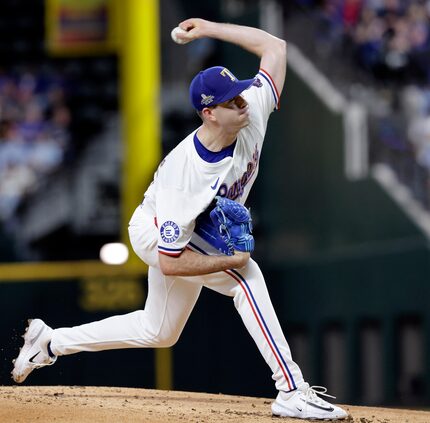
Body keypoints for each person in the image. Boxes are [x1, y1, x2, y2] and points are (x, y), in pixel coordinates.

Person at [12, 18, 348, 420]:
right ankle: (291, 389)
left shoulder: (251, 109)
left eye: (241, 95)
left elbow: (275, 46)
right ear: (208, 113)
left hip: (193, 227)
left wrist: (208, 28)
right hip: (156, 232)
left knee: (159, 331)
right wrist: (230, 262)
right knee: (246, 277)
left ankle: (49, 343)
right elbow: (172, 261)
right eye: (231, 101)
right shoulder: (184, 175)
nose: (243, 102)